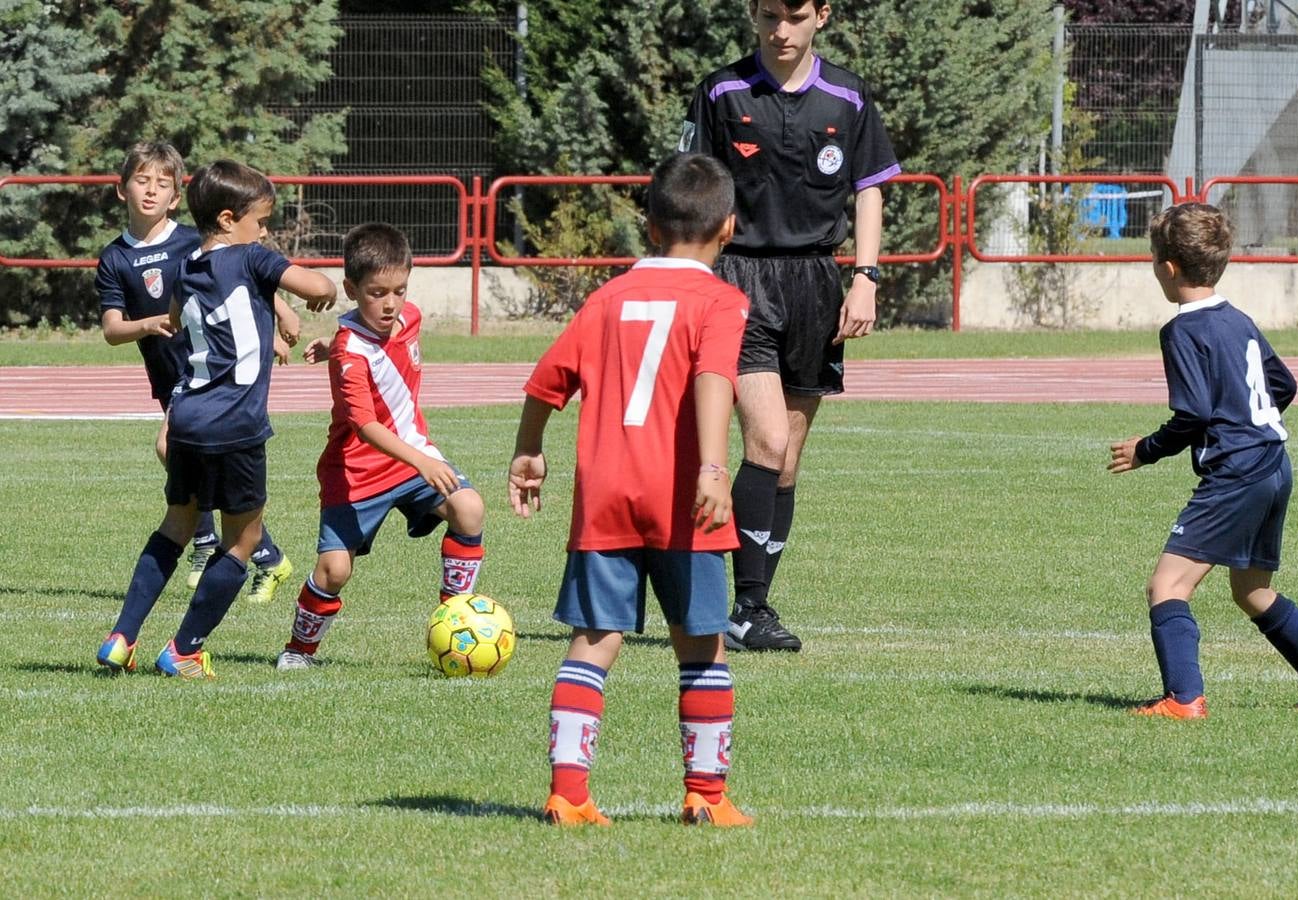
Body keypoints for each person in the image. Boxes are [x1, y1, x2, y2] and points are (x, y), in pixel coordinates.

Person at [508, 153, 754, 827]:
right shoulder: (721, 301)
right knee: (701, 644)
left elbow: (545, 381)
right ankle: (706, 795)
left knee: (594, 639)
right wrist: (711, 465)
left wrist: (529, 450)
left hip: (606, 493)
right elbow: (713, 379)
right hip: (682, 495)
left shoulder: (606, 298)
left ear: (648, 226)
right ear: (728, 228)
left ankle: (568, 792)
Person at [680, 0, 900, 651]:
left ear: (822, 16)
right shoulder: (721, 91)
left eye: (795, 16)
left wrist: (866, 276)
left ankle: (753, 604)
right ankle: (743, 608)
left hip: (816, 284)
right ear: (753, 14)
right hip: (738, 281)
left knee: (786, 463)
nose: (782, 30)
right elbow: (691, 186)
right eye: (770, 15)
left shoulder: (849, 96)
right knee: (767, 443)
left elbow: (869, 187)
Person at [1108, 203, 1298, 718]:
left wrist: (1145, 450)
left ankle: (1183, 699)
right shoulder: (1238, 319)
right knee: (1252, 591)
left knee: (1166, 586)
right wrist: (1249, 423)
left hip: (1237, 475)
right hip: (1274, 463)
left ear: (1168, 267)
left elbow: (1193, 413)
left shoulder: (1181, 330)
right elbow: (1284, 385)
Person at [98, 160, 336, 678]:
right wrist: (316, 291)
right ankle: (184, 649)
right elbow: (320, 288)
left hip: (186, 416)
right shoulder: (253, 258)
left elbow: (173, 319)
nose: (266, 231)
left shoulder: (186, 270)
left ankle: (122, 636)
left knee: (176, 525)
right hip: (235, 423)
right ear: (228, 220)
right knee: (244, 539)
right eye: (261, 220)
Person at [275, 222, 486, 671]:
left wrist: (330, 344)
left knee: (469, 509)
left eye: (400, 290)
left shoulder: (409, 318)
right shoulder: (350, 355)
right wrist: (423, 461)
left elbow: (375, 348)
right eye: (377, 293)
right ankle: (299, 651)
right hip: (356, 473)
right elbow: (365, 424)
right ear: (351, 288)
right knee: (335, 571)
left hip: (410, 457)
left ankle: (453, 619)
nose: (390, 303)